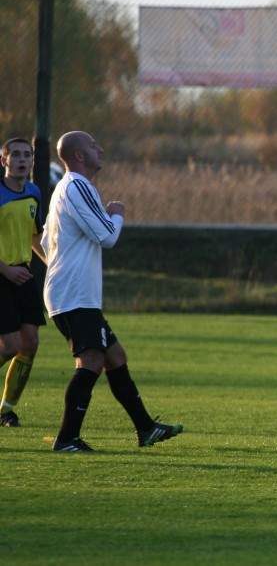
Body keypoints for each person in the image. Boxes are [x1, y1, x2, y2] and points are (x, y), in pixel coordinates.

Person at [40, 131, 184, 452]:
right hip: (75, 294)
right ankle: (66, 439)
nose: (101, 149)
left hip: (72, 292)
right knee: (91, 360)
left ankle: (146, 428)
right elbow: (107, 236)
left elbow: (47, 241)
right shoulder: (78, 186)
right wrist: (116, 214)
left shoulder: (63, 188)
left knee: (115, 357)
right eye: (93, 145)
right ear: (79, 156)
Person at [0, 138, 48, 428]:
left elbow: (34, 236)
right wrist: (6, 270)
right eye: (15, 155)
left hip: (22, 274)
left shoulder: (34, 192)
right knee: (10, 346)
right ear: (4, 161)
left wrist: (53, 263)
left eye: (27, 155)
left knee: (30, 343)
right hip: (2, 274)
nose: (22, 159)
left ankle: (6, 410)